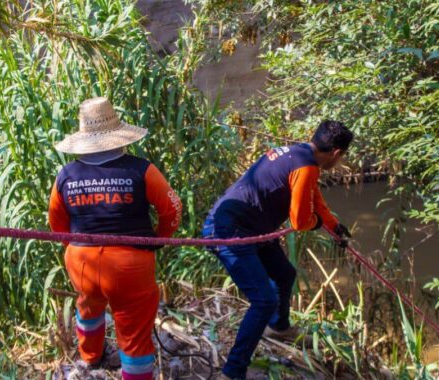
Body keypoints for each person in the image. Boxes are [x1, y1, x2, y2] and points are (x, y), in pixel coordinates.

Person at [202, 120, 354, 380]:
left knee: (284, 274)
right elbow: (300, 221)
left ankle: (279, 327)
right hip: (229, 230)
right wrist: (318, 224)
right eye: (341, 158)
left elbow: (315, 199)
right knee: (264, 300)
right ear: (337, 153)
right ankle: (232, 372)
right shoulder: (305, 166)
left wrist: (334, 226)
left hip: (252, 228)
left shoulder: (298, 154)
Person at [48, 97, 182, 380]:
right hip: (129, 263)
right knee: (133, 332)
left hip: (81, 261)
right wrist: (159, 239)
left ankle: (90, 359)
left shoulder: (65, 175)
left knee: (89, 305)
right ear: (119, 135)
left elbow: (56, 223)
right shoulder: (141, 169)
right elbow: (173, 209)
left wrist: (73, 248)